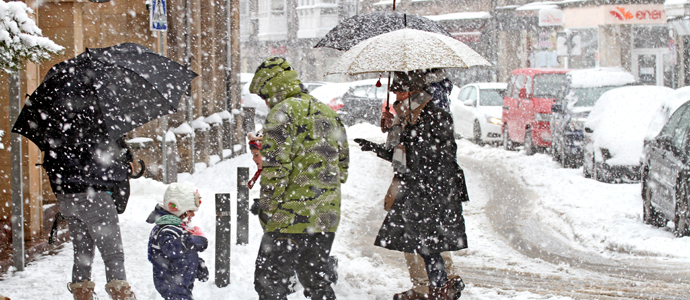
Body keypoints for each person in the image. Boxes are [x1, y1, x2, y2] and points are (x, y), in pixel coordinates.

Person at [354, 70, 470, 300]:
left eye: (398, 93)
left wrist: (409, 148)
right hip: (417, 188)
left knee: (426, 243)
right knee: (422, 242)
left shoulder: (434, 117)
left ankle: (433, 289)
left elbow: (439, 158)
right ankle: (439, 286)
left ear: (413, 91)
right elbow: (401, 156)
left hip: (431, 190)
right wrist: (380, 145)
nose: (395, 98)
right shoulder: (409, 117)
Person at [248, 57, 349, 300]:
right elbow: (343, 168)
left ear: (272, 88)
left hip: (289, 219)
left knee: (270, 283)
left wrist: (267, 208)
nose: (264, 101)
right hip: (325, 219)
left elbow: (275, 170)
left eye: (264, 95)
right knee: (316, 282)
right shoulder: (327, 112)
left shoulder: (281, 114)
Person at [42, 136, 136, 300]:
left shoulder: (56, 134)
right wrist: (127, 169)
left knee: (82, 254)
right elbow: (102, 168)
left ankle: (82, 295)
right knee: (113, 255)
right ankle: (121, 296)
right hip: (96, 199)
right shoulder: (93, 131)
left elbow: (52, 169)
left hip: (67, 199)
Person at [146, 182, 209, 300]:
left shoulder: (177, 227)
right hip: (170, 281)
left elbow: (183, 252)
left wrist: (197, 264)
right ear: (176, 208)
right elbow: (171, 249)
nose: (193, 214)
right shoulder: (167, 229)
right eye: (190, 211)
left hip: (179, 281)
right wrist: (190, 241)